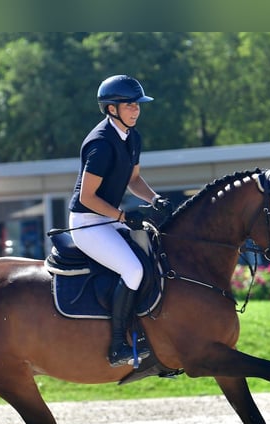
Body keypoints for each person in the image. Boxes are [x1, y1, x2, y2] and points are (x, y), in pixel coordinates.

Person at [68, 74, 173, 368]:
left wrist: (154, 199)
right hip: (87, 222)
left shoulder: (132, 136)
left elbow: (134, 180)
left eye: (138, 105)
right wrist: (124, 216)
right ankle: (117, 346)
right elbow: (88, 197)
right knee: (133, 269)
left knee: (155, 259)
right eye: (129, 105)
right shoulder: (101, 144)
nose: (136, 110)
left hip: (108, 219)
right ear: (111, 109)